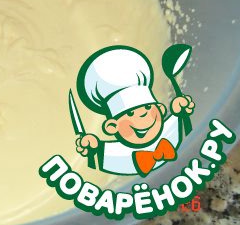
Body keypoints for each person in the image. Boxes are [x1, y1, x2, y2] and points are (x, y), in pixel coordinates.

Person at [74, 46, 195, 176]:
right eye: (130, 113)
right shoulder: (116, 156)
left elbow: (190, 130)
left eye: (147, 107)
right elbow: (94, 161)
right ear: (112, 127)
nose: (143, 115)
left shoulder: (170, 131)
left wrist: (181, 111)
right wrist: (91, 149)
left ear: (160, 108)